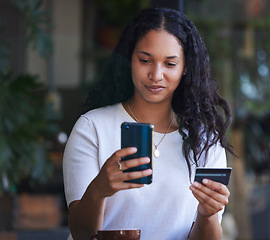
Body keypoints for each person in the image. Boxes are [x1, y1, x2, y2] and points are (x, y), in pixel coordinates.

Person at [63, 7, 234, 240]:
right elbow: (80, 233)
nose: (156, 74)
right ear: (129, 59)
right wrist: (99, 190)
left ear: (185, 68)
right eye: (145, 60)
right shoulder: (93, 128)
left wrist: (207, 214)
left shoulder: (204, 142)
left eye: (170, 64)